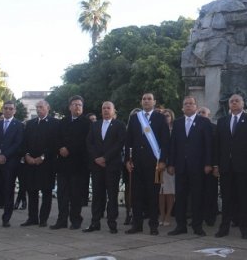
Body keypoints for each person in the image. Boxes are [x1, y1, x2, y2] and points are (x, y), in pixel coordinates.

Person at [213, 93, 247, 239]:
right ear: (229, 104)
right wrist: (216, 165)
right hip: (226, 167)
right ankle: (224, 228)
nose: (234, 103)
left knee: (244, 199)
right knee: (227, 199)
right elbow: (217, 145)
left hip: (244, 167)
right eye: (232, 101)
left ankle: (245, 229)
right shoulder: (222, 121)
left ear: (243, 103)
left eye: (237, 101)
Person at [167, 96, 213, 236]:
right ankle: (181, 226)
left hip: (198, 167)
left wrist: (208, 163)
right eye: (185, 104)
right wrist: (171, 164)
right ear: (182, 107)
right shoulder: (178, 123)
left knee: (197, 197)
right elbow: (173, 145)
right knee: (180, 197)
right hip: (180, 167)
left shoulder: (204, 122)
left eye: (191, 103)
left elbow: (208, 145)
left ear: (196, 107)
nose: (188, 106)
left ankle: (197, 226)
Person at [125, 93, 169, 236]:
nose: (146, 101)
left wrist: (163, 160)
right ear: (141, 101)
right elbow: (128, 141)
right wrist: (127, 160)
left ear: (154, 102)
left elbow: (165, 141)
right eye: (144, 99)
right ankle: (137, 225)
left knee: (152, 195)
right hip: (137, 162)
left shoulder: (161, 118)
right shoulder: (134, 118)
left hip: (154, 163)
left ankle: (153, 225)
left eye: (149, 99)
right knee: (137, 195)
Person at [83, 101, 126, 234]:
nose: (106, 110)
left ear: (114, 110)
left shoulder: (119, 125)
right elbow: (89, 142)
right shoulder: (95, 125)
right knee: (97, 195)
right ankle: (95, 222)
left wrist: (105, 158)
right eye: (103, 108)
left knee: (112, 196)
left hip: (111, 165)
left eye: (108, 108)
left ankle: (112, 223)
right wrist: (96, 158)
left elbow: (119, 144)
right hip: (97, 166)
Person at [50, 95, 91, 230]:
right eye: (74, 104)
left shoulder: (87, 123)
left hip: (78, 165)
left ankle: (75, 220)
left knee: (75, 195)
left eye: (79, 105)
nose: (77, 107)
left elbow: (85, 142)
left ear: (82, 107)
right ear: (69, 107)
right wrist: (60, 148)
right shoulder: (62, 122)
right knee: (62, 195)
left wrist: (70, 149)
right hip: (63, 164)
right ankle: (61, 220)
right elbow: (56, 138)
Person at [0, 100, 24, 227]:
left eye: (10, 108)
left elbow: (18, 143)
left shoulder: (19, 125)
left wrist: (5, 155)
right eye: (6, 108)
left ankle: (6, 218)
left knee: (8, 190)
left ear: (14, 111)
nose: (8, 110)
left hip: (10, 163)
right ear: (2, 109)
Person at [20, 100, 58, 227]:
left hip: (47, 164)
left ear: (48, 108)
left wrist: (43, 157)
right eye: (37, 107)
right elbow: (24, 142)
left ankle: (43, 219)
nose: (38, 109)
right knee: (32, 191)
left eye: (41, 107)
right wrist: (27, 155)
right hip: (30, 163)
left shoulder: (54, 123)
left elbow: (54, 144)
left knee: (46, 192)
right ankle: (32, 217)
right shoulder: (30, 124)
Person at [159, 109, 175, 227]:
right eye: (163, 116)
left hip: (170, 165)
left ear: (171, 117)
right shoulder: (156, 129)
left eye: (167, 115)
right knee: (160, 192)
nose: (165, 117)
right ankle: (162, 214)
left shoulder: (175, 130)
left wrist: (171, 164)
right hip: (158, 165)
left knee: (169, 192)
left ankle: (168, 214)